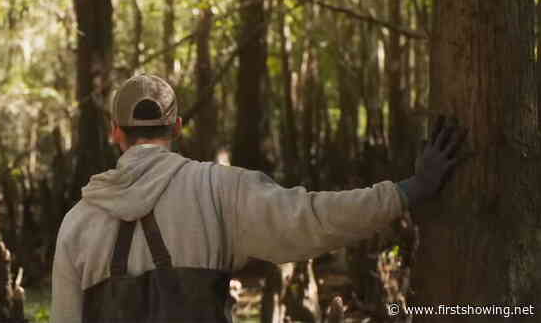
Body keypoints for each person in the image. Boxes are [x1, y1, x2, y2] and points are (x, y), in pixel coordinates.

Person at [51, 74, 467, 323]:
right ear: (177, 126)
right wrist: (411, 190)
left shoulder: (78, 222)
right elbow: (315, 219)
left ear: (115, 132)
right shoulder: (218, 190)